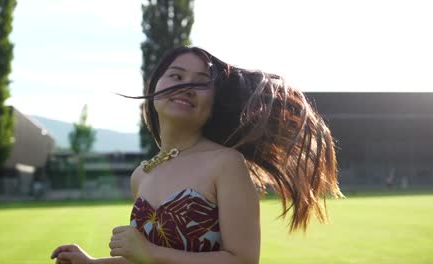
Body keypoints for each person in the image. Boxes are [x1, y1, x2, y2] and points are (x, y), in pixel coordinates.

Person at [51, 46, 344, 264]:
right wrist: (90, 262)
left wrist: (150, 252)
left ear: (213, 103)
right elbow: (144, 258)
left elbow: (243, 260)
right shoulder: (142, 174)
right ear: (154, 89)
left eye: (202, 82)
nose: (187, 86)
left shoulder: (226, 164)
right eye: (176, 75)